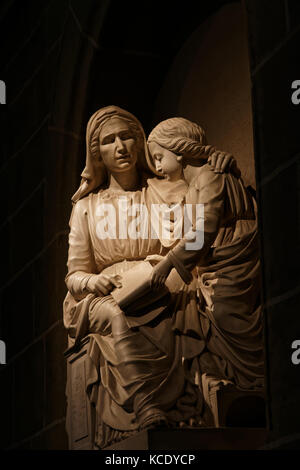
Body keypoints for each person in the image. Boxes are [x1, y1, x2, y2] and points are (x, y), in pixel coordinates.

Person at [63, 106, 237, 448]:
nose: (120, 146)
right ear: (96, 151)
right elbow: (74, 274)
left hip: (159, 283)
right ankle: (146, 405)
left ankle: (202, 400)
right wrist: (92, 282)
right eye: (109, 140)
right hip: (104, 294)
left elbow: (205, 202)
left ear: (140, 141)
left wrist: (222, 166)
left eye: (127, 136)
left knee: (191, 303)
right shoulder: (86, 207)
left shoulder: (165, 189)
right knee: (116, 314)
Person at [146, 117, 264, 394]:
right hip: (214, 267)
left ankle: (258, 379)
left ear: (179, 149)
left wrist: (167, 264)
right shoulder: (197, 183)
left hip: (234, 263)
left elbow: (206, 228)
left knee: (227, 315)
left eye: (159, 157)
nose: (158, 167)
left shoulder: (211, 175)